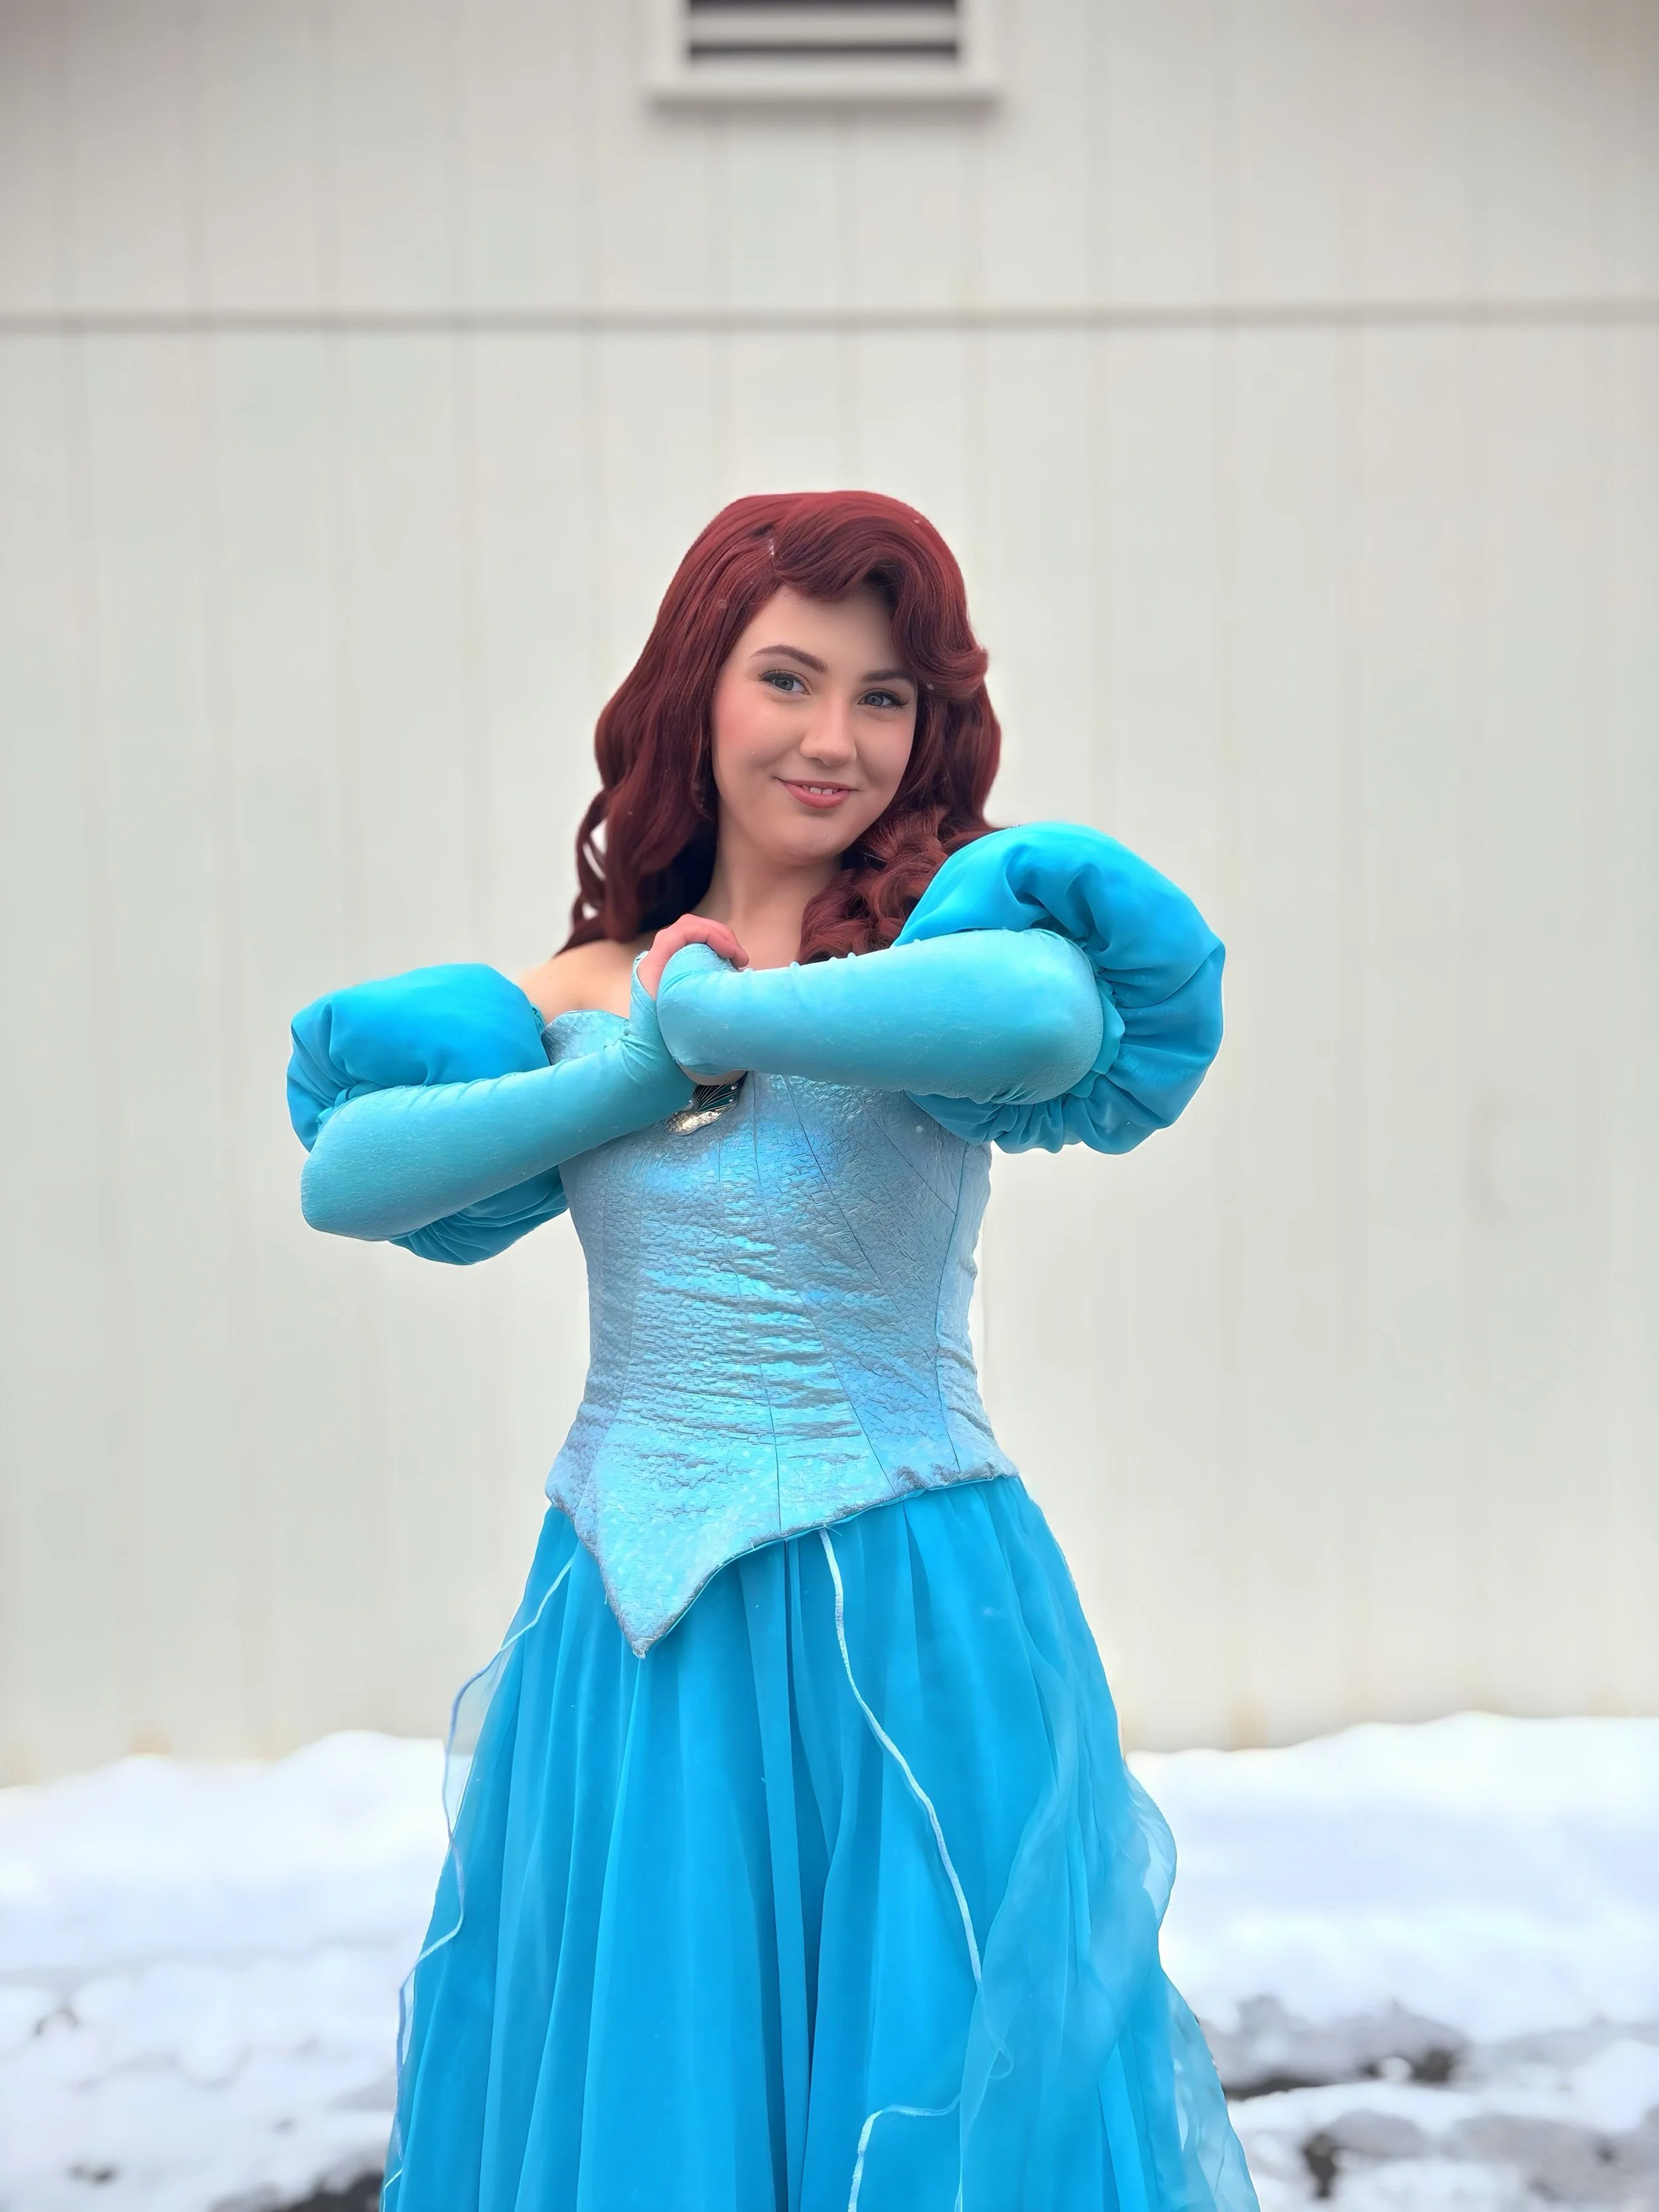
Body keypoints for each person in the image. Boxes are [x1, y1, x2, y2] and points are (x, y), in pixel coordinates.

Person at [287, 491, 1259, 2212]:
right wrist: (626, 1068)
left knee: (917, 2066)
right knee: (649, 2082)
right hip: (626, 1623)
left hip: (896, 1602)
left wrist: (720, 1009)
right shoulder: (575, 987)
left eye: (884, 697)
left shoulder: (939, 951)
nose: (834, 738)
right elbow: (350, 1176)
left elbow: (1045, 1025)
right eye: (788, 679)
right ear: (695, 696)